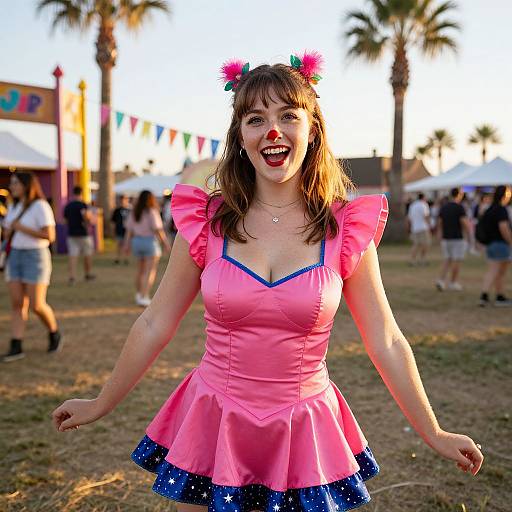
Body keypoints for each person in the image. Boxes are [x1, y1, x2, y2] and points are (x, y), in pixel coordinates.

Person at [52, 53, 483, 511]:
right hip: (213, 422)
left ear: (312, 129)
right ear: (241, 137)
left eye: (287, 116)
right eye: (256, 119)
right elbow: (156, 322)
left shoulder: (345, 227)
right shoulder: (206, 221)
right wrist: (102, 402)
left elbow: (386, 340)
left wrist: (433, 431)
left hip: (303, 428)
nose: (272, 131)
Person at [1, 171, 62, 362]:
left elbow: (49, 236)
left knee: (37, 304)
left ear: (27, 185)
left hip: (35, 256)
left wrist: (21, 228)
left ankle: (54, 332)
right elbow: (8, 232)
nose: (12, 187)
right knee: (18, 303)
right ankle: (16, 345)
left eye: (16, 183)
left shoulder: (40, 206)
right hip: (15, 255)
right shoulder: (13, 206)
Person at [123, 190, 171, 306]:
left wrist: (126, 245)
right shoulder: (152, 211)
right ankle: (144, 296)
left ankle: (139, 294)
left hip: (136, 242)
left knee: (140, 270)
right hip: (149, 242)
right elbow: (158, 230)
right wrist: (166, 244)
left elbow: (129, 231)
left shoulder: (134, 212)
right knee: (150, 271)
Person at [478, 185, 512, 307]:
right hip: (500, 244)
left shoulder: (489, 209)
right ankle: (486, 295)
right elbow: (503, 228)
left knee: (495, 271)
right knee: (497, 272)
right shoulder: (501, 210)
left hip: (490, 244)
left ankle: (498, 295)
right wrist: (510, 241)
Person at [436, 188, 471, 291]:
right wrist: (469, 234)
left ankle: (441, 280)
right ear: (459, 195)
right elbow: (464, 222)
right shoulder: (460, 208)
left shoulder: (444, 207)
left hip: (446, 238)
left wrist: (439, 234)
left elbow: (439, 223)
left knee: (447, 260)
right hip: (457, 238)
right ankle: (453, 282)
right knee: (456, 261)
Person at [63, 186, 95, 284]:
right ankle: (87, 273)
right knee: (87, 254)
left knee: (73, 256)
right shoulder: (83, 205)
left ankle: (72, 277)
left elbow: (65, 220)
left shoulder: (68, 206)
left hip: (72, 233)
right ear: (81, 193)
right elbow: (87, 217)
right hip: (83, 233)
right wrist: (89, 222)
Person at [407, 192, 431, 265]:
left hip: (415, 228)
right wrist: (429, 225)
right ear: (423, 198)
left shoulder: (412, 205)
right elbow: (426, 216)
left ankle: (412, 260)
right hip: (423, 227)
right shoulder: (424, 205)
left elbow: (409, 218)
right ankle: (422, 260)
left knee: (416, 245)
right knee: (425, 244)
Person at [111, 194, 131, 264]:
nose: (123, 201)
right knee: (119, 245)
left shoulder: (130, 210)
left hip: (127, 231)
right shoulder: (117, 210)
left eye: (125, 200)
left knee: (127, 245)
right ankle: (118, 258)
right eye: (122, 200)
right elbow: (113, 222)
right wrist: (113, 231)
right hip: (119, 230)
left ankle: (126, 258)